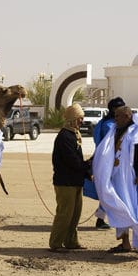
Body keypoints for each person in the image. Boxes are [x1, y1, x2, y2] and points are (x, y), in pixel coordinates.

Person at [93, 106, 138, 254]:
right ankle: (125, 242)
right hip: (117, 178)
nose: (115, 119)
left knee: (135, 211)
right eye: (115, 116)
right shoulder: (116, 132)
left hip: (132, 181)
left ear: (127, 117)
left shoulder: (137, 134)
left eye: (118, 116)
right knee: (119, 208)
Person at [49, 104, 92, 252]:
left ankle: (71, 241)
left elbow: (77, 162)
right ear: (73, 119)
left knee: (75, 214)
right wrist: (89, 164)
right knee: (64, 214)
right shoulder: (64, 137)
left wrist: (87, 173)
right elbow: (73, 161)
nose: (82, 121)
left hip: (75, 181)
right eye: (80, 119)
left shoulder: (74, 134)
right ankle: (56, 243)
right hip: (65, 182)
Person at [90, 96, 126, 230]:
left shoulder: (107, 123)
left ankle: (103, 218)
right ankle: (102, 219)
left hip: (109, 162)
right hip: (109, 163)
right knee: (109, 191)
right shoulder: (109, 126)